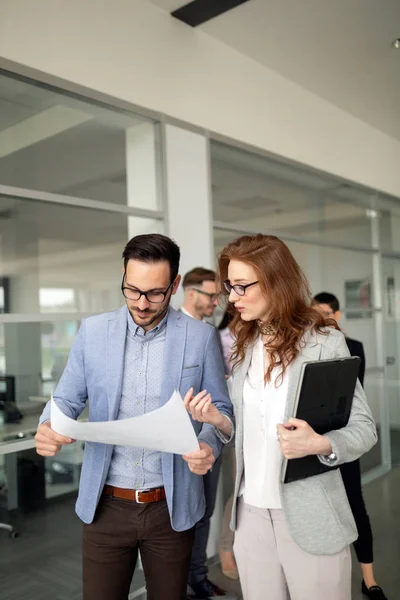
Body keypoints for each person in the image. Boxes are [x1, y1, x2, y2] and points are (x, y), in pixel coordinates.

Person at [34, 233, 233, 600]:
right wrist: (48, 425)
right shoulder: (93, 332)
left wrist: (207, 443)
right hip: (105, 506)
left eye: (155, 293)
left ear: (174, 286)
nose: (141, 303)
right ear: (123, 278)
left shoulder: (200, 337)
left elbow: (220, 410)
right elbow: (64, 398)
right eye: (132, 290)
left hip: (170, 509)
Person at [184, 234, 378, 600]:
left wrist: (320, 443)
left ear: (276, 282)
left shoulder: (324, 342)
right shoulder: (243, 348)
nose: (233, 298)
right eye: (230, 287)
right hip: (251, 516)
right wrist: (218, 420)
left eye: (242, 287)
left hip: (311, 514)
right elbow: (244, 428)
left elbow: (365, 428)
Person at [313, 292, 388, 600]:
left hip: (342, 439)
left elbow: (349, 397)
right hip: (313, 441)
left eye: (326, 312)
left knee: (355, 507)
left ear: (338, 314)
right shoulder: (307, 346)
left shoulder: (352, 347)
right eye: (315, 312)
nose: (321, 317)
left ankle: (369, 580)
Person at [180, 267, 227, 598]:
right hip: (176, 442)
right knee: (178, 517)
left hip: (210, 438)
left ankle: (197, 577)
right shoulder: (171, 331)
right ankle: (176, 580)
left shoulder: (210, 334)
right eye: (211, 295)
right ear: (191, 292)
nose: (215, 302)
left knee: (206, 511)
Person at [216, 309, 238, 580]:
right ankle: (225, 546)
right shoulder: (219, 339)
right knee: (238, 490)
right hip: (231, 423)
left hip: (260, 426)